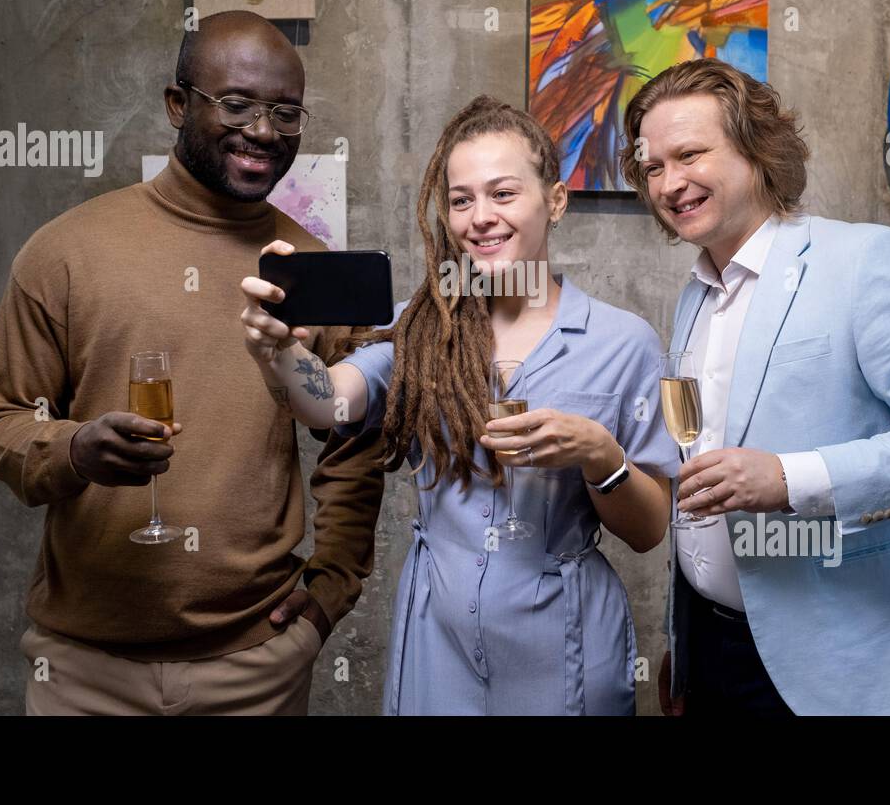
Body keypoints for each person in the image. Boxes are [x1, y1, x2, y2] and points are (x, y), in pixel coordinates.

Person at [0, 11, 386, 715]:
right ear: (177, 105)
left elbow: (355, 441)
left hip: (256, 667)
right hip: (84, 672)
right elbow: (0, 423)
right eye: (236, 104)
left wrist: (328, 595)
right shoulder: (65, 251)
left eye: (286, 113)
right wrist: (74, 448)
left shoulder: (313, 266)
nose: (263, 131)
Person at [239, 96, 681, 714]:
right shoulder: (418, 330)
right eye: (461, 199)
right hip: (437, 641)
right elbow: (330, 405)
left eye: (503, 193)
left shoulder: (623, 343)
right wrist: (281, 352)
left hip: (564, 643)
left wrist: (598, 454)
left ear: (554, 200)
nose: (481, 217)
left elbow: (649, 530)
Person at [620, 58, 890, 716]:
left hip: (847, 663)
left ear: (756, 150)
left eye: (689, 154)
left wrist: (789, 479)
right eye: (652, 167)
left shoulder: (864, 260)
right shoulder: (694, 295)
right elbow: (698, 466)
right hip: (713, 650)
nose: (669, 182)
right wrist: (687, 651)